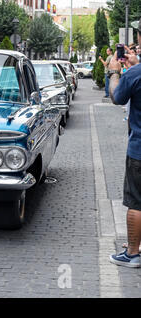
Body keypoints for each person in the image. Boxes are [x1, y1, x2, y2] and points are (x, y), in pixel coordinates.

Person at [107, 18, 141, 268]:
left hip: (139, 150)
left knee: (136, 202)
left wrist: (115, 72)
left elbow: (117, 98)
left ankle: (132, 253)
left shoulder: (135, 75)